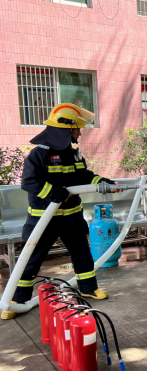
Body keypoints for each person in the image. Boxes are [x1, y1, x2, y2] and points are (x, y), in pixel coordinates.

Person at [1, 103, 118, 321]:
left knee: (82, 254)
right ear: (65, 129)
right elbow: (29, 182)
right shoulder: (38, 155)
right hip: (43, 220)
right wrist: (56, 194)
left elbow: (84, 176)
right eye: (77, 129)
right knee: (30, 260)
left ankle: (88, 288)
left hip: (72, 217)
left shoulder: (73, 155)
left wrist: (103, 182)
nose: (79, 133)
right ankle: (16, 301)